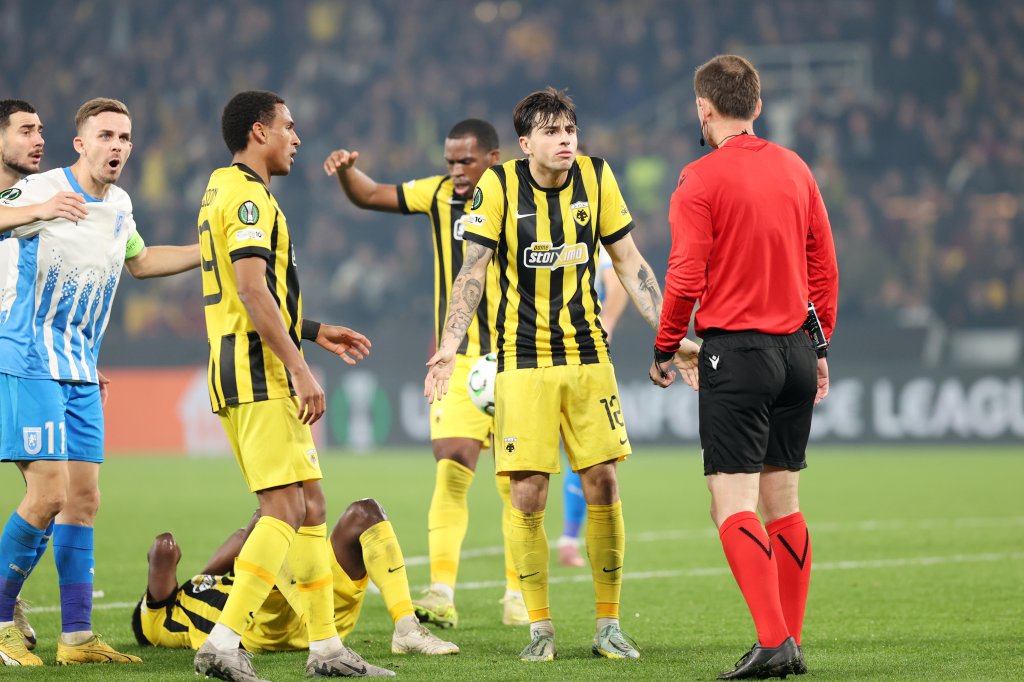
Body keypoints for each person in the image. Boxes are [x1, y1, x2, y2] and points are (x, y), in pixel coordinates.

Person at [424, 87, 697, 662]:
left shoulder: (598, 177)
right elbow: (472, 271)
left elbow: (630, 262)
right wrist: (449, 346)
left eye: (570, 128)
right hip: (522, 361)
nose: (565, 139)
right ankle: (540, 628)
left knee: (604, 483)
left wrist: (671, 336)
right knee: (528, 493)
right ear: (525, 144)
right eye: (550, 131)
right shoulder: (499, 186)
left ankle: (608, 625)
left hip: (587, 357)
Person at [649, 55, 838, 680]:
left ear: (703, 108)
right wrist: (820, 346)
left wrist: (666, 344)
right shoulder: (796, 167)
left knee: (730, 503)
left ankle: (773, 641)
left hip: (737, 353)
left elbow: (685, 274)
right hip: (795, 352)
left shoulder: (699, 178)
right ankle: (791, 641)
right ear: (757, 106)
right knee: (783, 502)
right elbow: (823, 266)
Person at [193, 90, 387, 681]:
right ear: (259, 131)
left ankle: (325, 647)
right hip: (258, 370)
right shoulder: (250, 199)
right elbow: (251, 291)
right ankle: (223, 641)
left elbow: (252, 293)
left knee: (310, 505)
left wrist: (312, 329)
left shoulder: (220, 188)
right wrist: (301, 368)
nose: (297, 138)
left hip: (242, 362)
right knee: (281, 507)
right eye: (288, 127)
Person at [0, 97, 200, 667]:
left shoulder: (120, 206)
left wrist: (211, 250)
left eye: (125, 137)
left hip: (83, 369)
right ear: (80, 143)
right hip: (31, 358)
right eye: (106, 135)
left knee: (83, 500)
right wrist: (35, 211)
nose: (117, 146)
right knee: (48, 495)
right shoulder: (40, 189)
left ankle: (77, 637)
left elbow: (142, 262)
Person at [322, 120, 528, 628]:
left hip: (517, 356)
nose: (456, 170)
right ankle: (441, 592)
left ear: (494, 159)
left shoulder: (522, 196)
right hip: (458, 359)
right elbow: (370, 194)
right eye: (450, 161)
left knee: (518, 479)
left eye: (466, 161)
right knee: (452, 463)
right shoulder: (437, 195)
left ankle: (517, 592)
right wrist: (347, 173)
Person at [133, 500, 458, 657]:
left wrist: (206, 573)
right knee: (270, 522)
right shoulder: (157, 622)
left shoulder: (197, 586)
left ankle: (407, 628)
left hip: (311, 603)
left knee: (365, 513)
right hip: (263, 626)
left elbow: (241, 537)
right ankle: (318, 628)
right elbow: (164, 546)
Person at [0, 98, 91, 655]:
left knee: (53, 494)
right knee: (50, 493)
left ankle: (8, 608)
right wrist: (44, 208)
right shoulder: (30, 203)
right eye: (25, 130)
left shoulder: (30, 199)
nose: (39, 139)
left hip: (31, 359)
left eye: (41, 130)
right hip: (12, 359)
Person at [557, 246, 627, 568]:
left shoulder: (592, 239)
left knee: (586, 453)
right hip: (544, 360)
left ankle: (568, 539)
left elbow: (617, 282)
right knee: (586, 452)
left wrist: (607, 322)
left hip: (577, 358)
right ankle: (566, 541)